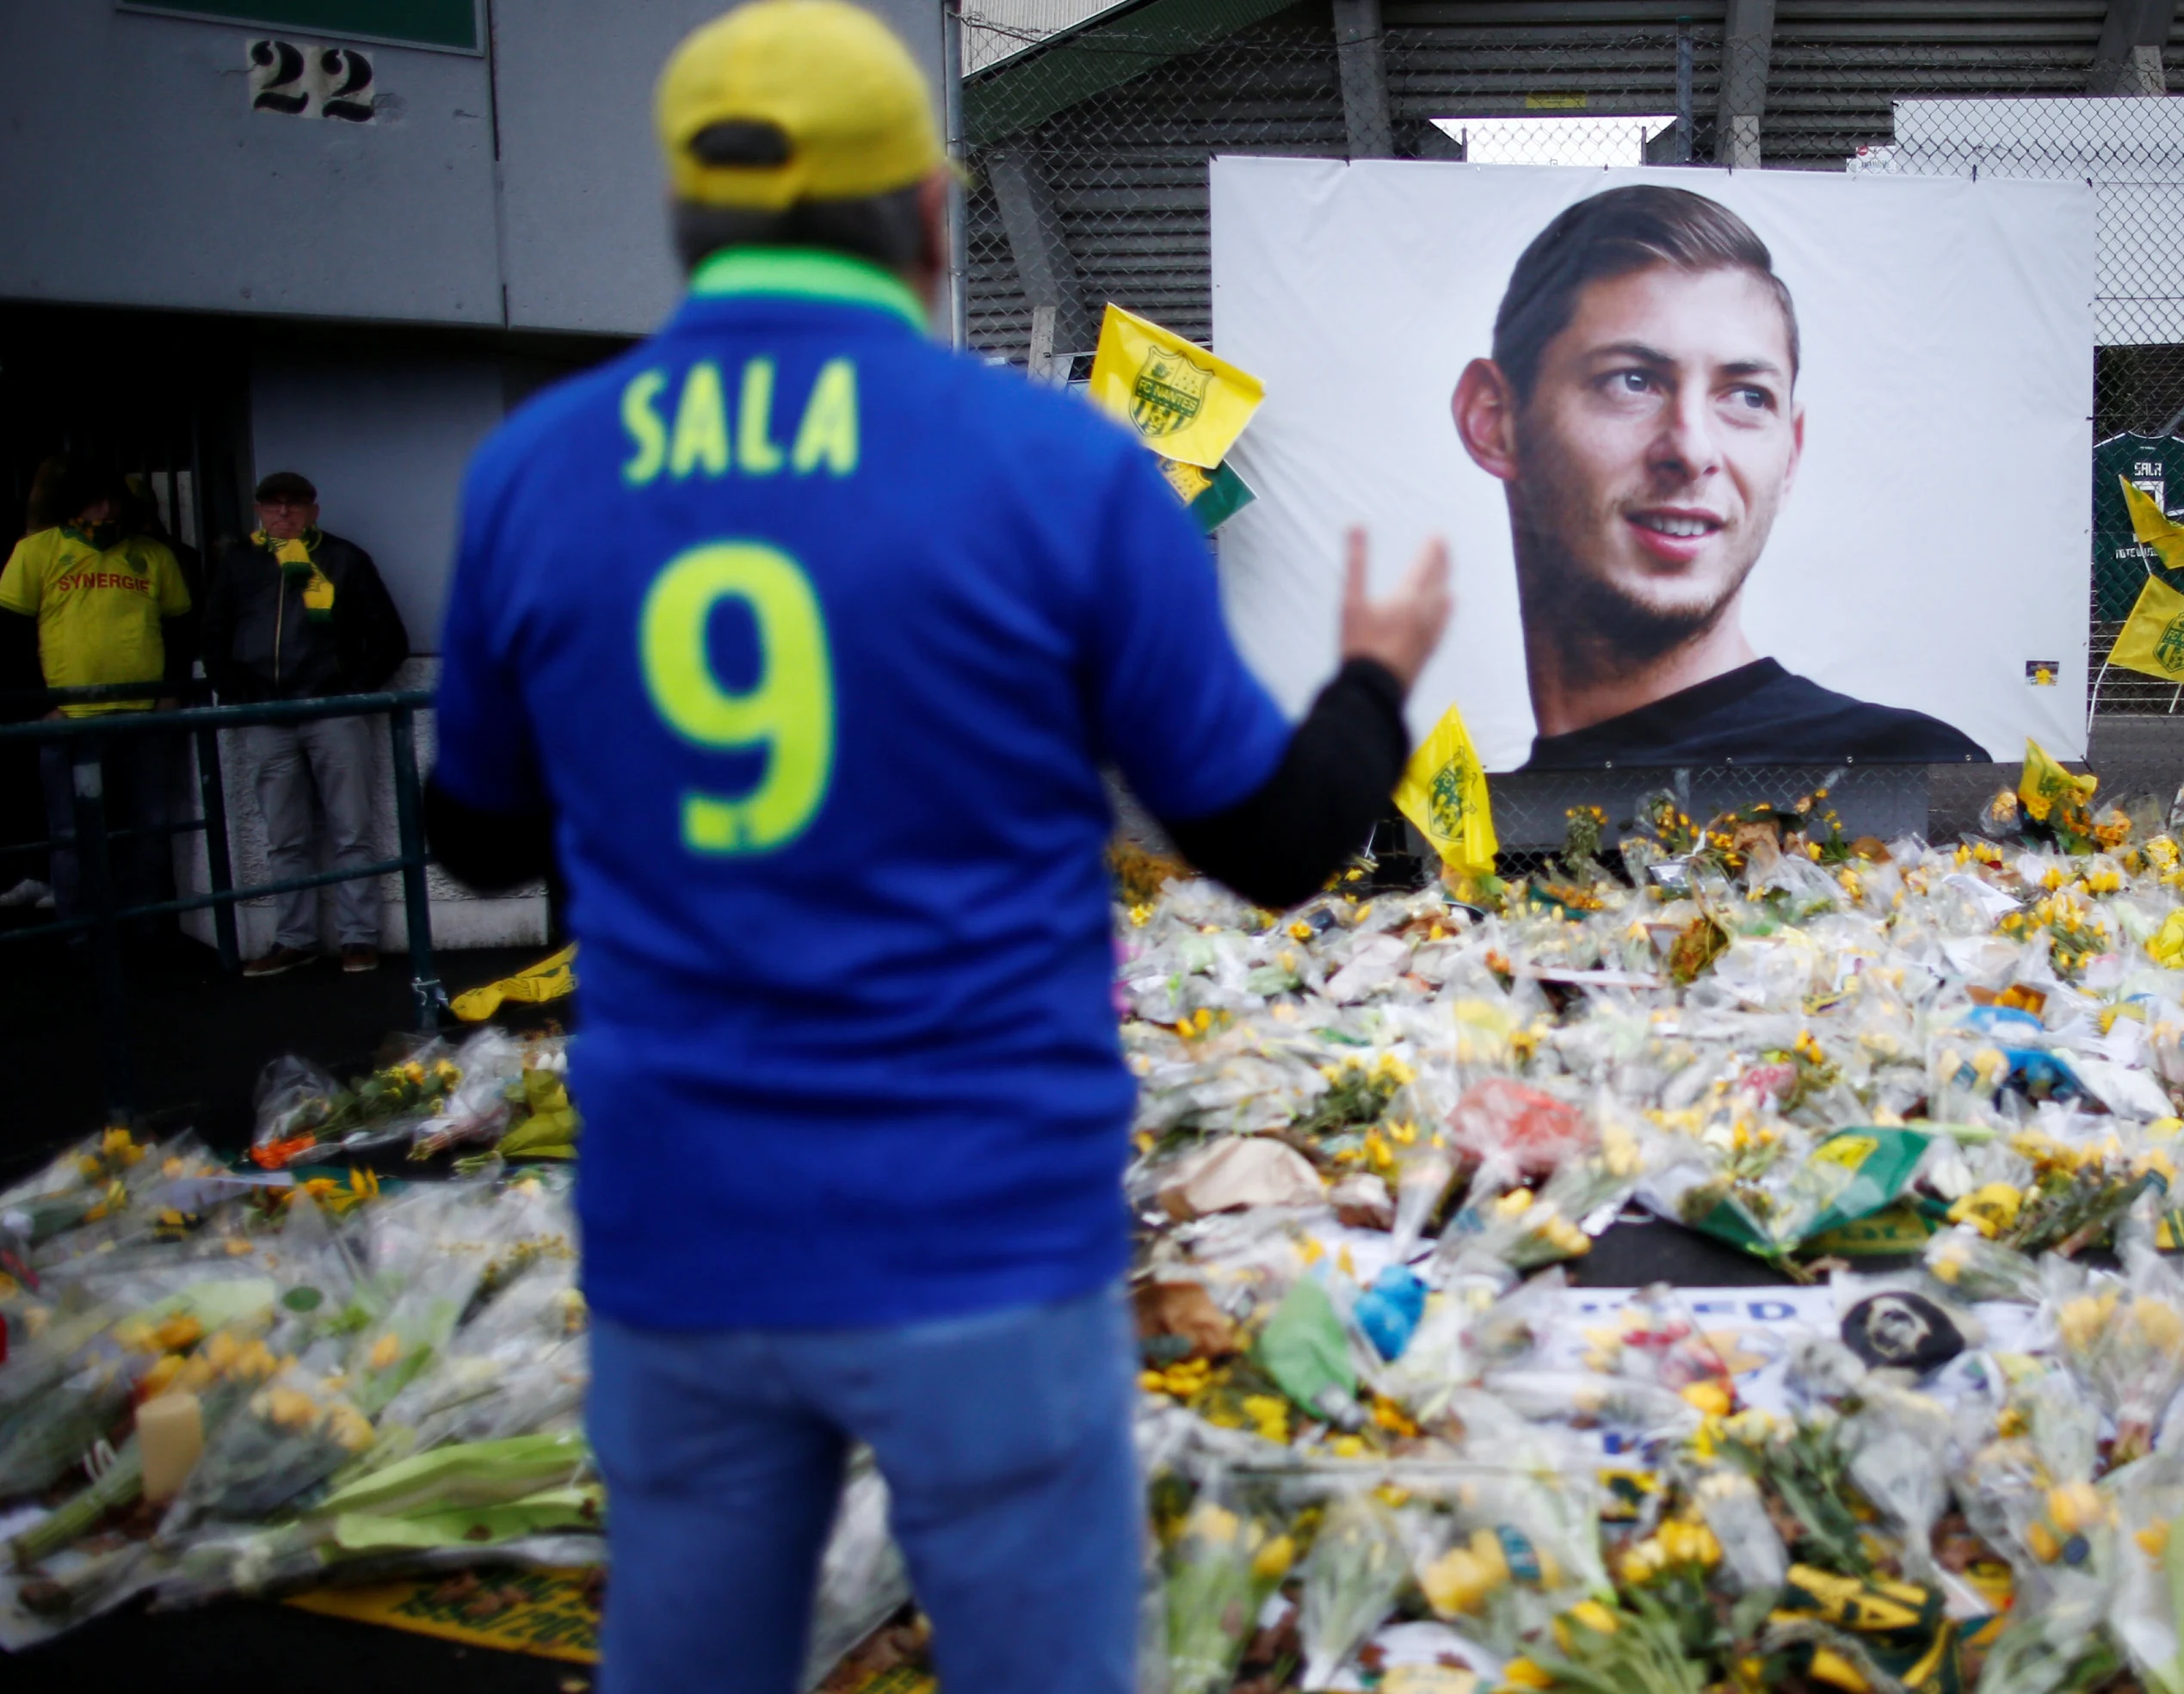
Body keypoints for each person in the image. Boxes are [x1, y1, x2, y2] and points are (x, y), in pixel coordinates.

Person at [419, 5, 1451, 1691]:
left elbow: (473, 832)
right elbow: (1270, 842)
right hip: (981, 1233)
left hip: (682, 1227)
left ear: (691, 220)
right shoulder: (1060, 473)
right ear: (927, 215)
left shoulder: (536, 470)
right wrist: (1377, 675)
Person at [1448, 184, 1984, 770]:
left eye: (1748, 396)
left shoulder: (1902, 772)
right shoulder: (1446, 821)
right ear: (1494, 422)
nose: (1692, 448)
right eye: (1631, 381)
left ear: (1791, 455)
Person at [201, 471, 410, 975]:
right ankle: (294, 938)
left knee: (352, 829)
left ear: (314, 510)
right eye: (273, 505)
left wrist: (347, 692)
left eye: (295, 505)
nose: (284, 513)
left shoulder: (344, 559)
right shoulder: (239, 563)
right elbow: (214, 634)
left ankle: (358, 936)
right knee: (285, 835)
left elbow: (389, 638)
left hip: (330, 713)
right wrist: (239, 696)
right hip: (267, 716)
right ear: (259, 510)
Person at [0, 453, 194, 933]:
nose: (104, 512)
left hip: (143, 716)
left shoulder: (153, 555)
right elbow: (10, 636)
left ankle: (144, 929)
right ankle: (80, 936)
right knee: (71, 834)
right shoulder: (37, 551)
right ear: (72, 505)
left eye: (111, 502)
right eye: (93, 503)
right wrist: (41, 704)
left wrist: (170, 693)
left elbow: (181, 629)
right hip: (70, 718)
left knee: (148, 829)